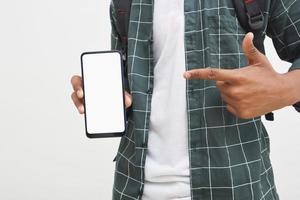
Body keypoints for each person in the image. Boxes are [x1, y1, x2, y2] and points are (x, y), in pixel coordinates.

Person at [71, 0, 300, 199]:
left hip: (234, 186)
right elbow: (133, 80)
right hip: (134, 189)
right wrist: (104, 95)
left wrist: (286, 88)